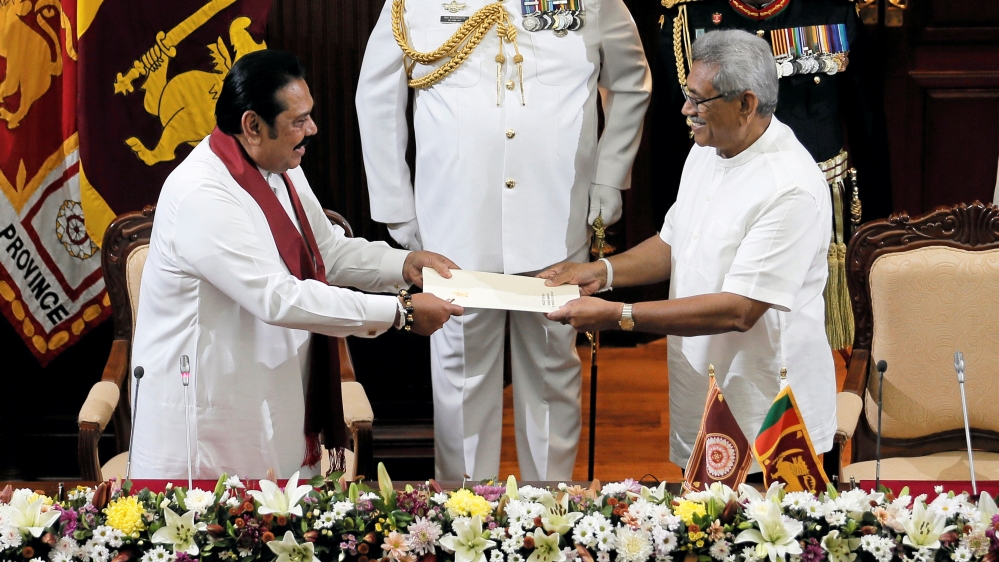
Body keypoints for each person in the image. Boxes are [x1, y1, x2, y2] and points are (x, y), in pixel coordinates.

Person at [129, 49, 463, 480]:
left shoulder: (279, 165)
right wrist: (400, 312)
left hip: (272, 401)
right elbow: (278, 298)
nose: (312, 129)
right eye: (298, 120)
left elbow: (327, 252)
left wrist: (405, 264)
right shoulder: (201, 194)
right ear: (252, 125)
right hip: (207, 428)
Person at [356, 0, 651, 480]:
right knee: (461, 365)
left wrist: (609, 177)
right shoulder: (413, 5)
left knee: (553, 363)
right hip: (454, 218)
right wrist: (396, 204)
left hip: (556, 215)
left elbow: (630, 81)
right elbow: (377, 95)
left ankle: (549, 508)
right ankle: (465, 508)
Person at [542, 30, 836, 472]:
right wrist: (601, 272)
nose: (686, 110)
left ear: (746, 104)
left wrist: (618, 315)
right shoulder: (710, 146)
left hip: (770, 419)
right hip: (703, 393)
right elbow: (675, 242)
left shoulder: (789, 187)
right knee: (704, 533)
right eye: (687, 94)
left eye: (699, 100)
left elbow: (740, 310)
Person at [650, 0, 893, 351]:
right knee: (731, 336)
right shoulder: (691, 15)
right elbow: (669, 133)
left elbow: (867, 123)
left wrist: (876, 229)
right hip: (726, 203)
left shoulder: (832, 10)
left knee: (821, 339)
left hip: (822, 207)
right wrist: (671, 225)